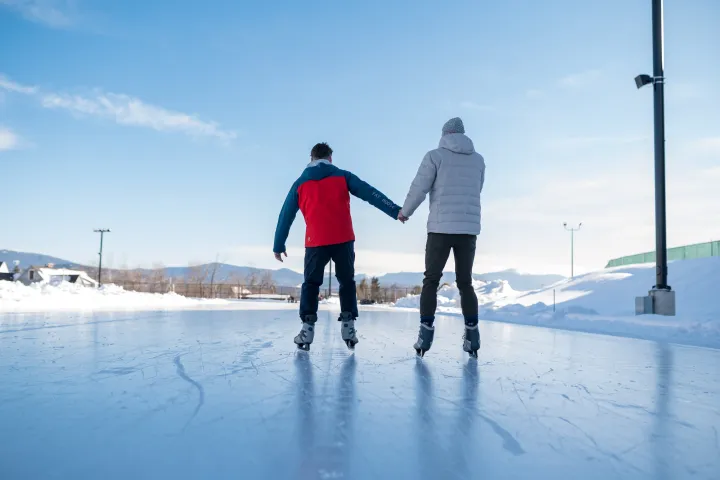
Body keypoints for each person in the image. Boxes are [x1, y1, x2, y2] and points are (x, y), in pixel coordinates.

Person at [273, 142, 403, 350]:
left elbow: (285, 214)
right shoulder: (342, 175)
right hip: (343, 239)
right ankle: (348, 326)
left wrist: (278, 244)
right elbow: (369, 193)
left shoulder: (300, 183)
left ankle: (307, 329)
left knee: (311, 284)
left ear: (311, 158)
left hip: (315, 242)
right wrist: (394, 210)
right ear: (330, 158)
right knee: (346, 282)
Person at [399, 118, 486, 357]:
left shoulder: (435, 156)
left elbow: (419, 186)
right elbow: (477, 189)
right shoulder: (478, 160)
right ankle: (473, 337)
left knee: (431, 280)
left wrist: (405, 211)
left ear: (444, 134)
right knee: (465, 282)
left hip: (440, 228)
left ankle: (425, 336)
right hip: (468, 229)